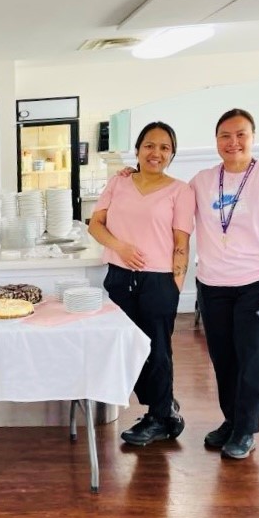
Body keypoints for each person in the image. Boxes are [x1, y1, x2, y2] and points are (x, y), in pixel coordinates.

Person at [192, 108, 259, 460]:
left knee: (253, 359)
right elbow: (168, 202)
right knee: (223, 358)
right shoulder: (203, 180)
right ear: (216, 140)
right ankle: (232, 420)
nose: (233, 142)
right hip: (213, 285)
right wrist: (135, 175)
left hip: (257, 284)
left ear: (252, 137)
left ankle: (246, 428)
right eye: (225, 135)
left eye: (240, 134)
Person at [88, 122, 195, 446]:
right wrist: (120, 247)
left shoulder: (181, 190)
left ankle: (159, 417)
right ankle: (164, 407)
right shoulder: (119, 182)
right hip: (120, 278)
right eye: (150, 145)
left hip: (158, 280)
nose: (156, 153)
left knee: (157, 350)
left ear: (172, 154)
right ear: (138, 150)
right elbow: (96, 225)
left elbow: (181, 241)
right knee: (130, 348)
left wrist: (174, 285)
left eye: (164, 147)